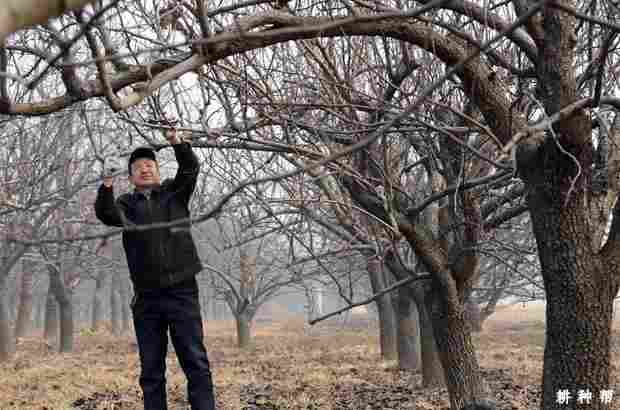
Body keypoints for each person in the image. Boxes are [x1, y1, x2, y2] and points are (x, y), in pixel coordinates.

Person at [94, 128, 215, 410]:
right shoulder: (126, 204)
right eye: (138, 168)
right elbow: (106, 213)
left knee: (195, 361)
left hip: (182, 291)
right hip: (147, 297)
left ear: (158, 171)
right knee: (151, 369)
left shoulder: (175, 192)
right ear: (131, 177)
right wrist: (107, 182)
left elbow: (190, 168)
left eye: (149, 165)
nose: (144, 170)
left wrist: (176, 141)